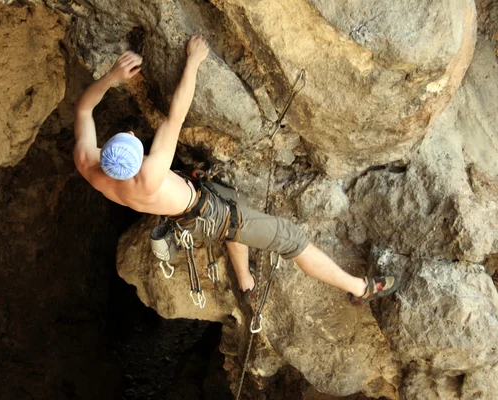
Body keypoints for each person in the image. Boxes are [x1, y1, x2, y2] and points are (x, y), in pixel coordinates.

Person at [73, 34, 398, 306]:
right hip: (205, 215)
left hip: (193, 206)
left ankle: (246, 283)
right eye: (135, 142)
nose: (132, 134)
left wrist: (112, 77)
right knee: (289, 238)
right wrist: (194, 62)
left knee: (231, 198)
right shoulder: (151, 173)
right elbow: (177, 114)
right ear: (137, 159)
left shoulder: (89, 163)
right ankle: (358, 289)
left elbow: (84, 107)